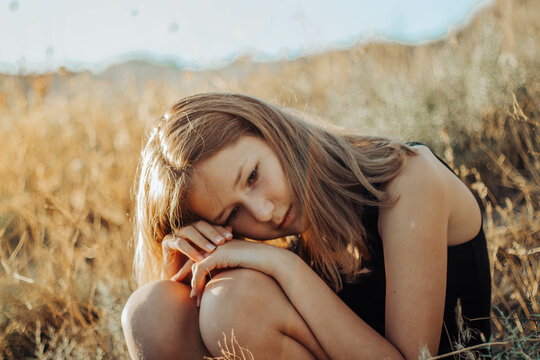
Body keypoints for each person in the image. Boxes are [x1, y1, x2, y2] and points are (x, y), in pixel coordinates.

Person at [121, 92, 491, 359]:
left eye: (252, 176)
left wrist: (284, 265)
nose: (263, 212)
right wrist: (183, 274)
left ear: (271, 131)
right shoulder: (302, 228)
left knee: (231, 306)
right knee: (151, 312)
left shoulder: (408, 179)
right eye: (231, 215)